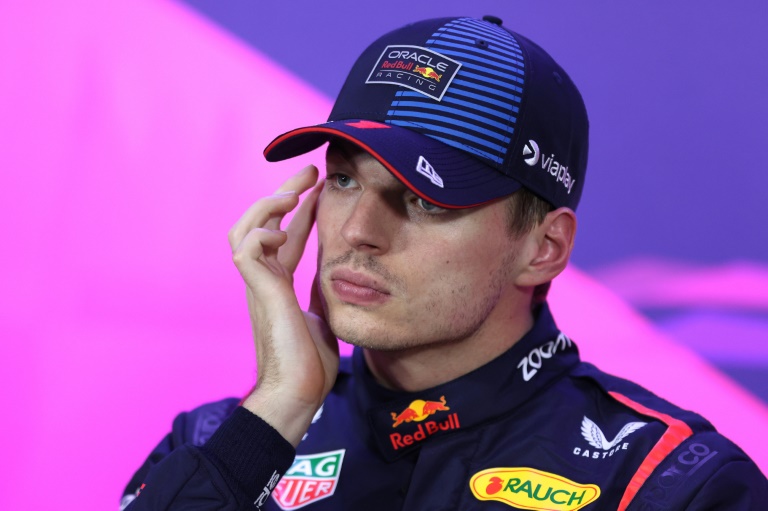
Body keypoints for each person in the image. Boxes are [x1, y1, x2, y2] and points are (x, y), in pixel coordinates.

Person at [122, 15, 768, 511]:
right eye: (345, 180)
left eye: (423, 199)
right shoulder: (218, 443)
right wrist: (277, 411)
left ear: (544, 247)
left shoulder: (669, 483)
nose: (358, 232)